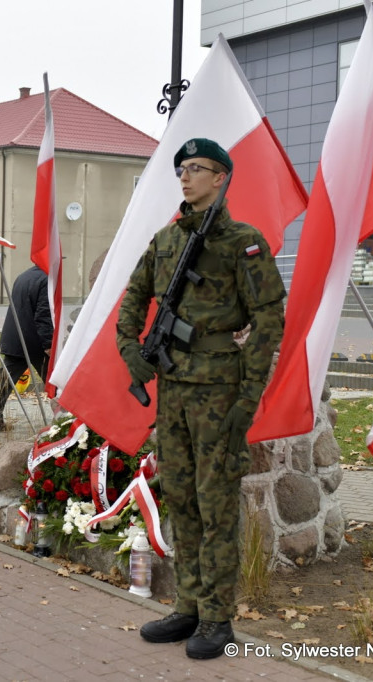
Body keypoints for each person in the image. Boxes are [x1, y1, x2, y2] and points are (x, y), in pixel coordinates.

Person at [116, 138, 285, 660]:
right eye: (181, 169)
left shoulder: (242, 242)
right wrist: (130, 350)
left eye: (196, 169)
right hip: (173, 392)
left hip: (219, 392)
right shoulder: (166, 240)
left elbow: (270, 320)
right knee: (182, 499)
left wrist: (248, 396)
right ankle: (187, 605)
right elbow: (132, 296)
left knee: (216, 508)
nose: (185, 177)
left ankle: (217, 618)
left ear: (222, 177)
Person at [0, 265, 53, 431]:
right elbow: (43, 315)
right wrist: (49, 344)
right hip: (34, 341)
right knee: (54, 380)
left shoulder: (23, 276)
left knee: (5, 380)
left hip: (16, 337)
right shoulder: (46, 280)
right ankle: (65, 418)